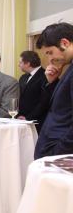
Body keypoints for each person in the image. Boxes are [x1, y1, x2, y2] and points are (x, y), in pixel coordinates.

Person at [34, 23, 73, 159]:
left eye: (50, 52)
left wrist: (59, 152)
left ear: (64, 43)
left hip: (60, 154)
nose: (50, 59)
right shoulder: (69, 68)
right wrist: (52, 82)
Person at [18, 50, 48, 129]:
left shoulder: (46, 76)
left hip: (38, 122)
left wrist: (28, 118)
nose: (18, 65)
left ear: (27, 63)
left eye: (20, 62)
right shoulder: (23, 77)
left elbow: (44, 102)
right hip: (21, 120)